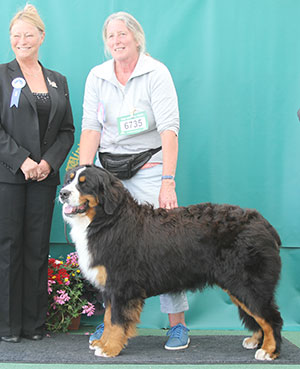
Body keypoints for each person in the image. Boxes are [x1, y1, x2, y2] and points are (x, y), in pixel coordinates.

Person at [79, 11, 190, 350]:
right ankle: (110, 322)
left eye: (122, 34)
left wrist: (167, 181)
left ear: (137, 38)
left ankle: (177, 325)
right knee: (106, 249)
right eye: (111, 36)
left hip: (149, 165)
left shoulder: (156, 72)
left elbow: (169, 129)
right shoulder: (97, 75)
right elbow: (90, 127)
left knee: (166, 244)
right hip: (107, 172)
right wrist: (82, 177)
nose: (117, 40)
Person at [0, 4, 74, 343]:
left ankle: (33, 325)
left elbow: (67, 132)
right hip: (9, 177)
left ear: (41, 37)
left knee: (37, 249)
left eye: (28, 34)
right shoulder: (1, 75)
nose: (21, 40)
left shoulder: (58, 81)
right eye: (16, 35)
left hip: (45, 179)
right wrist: (22, 160)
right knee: (9, 248)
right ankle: (7, 326)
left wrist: (48, 163)